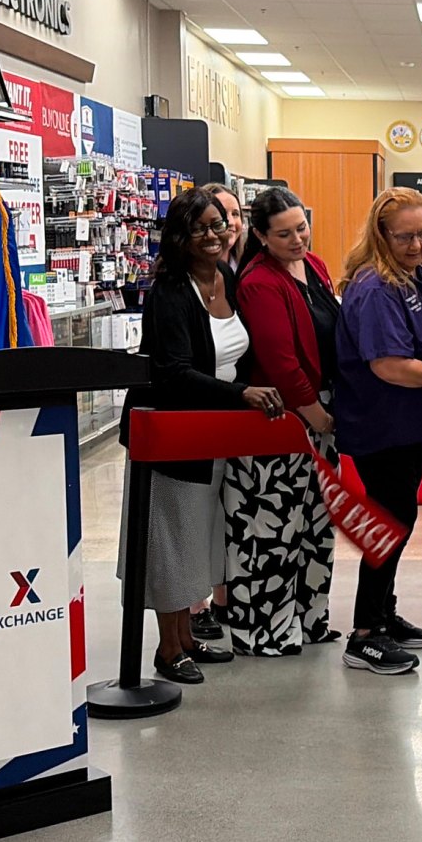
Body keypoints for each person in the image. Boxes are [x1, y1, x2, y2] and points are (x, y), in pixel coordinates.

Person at [117, 188, 284, 685]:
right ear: (179, 236)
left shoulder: (226, 276)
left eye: (219, 224)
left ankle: (188, 637)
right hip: (171, 434)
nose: (213, 235)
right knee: (170, 540)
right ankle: (168, 650)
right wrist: (242, 395)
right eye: (200, 228)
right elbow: (172, 372)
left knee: (199, 539)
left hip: (211, 431)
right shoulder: (171, 290)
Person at [334, 188, 422, 675]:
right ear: (380, 235)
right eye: (405, 237)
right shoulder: (373, 287)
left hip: (412, 422)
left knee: (400, 517)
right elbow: (390, 364)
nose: (416, 245)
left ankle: (383, 613)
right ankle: (365, 634)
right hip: (382, 422)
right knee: (388, 521)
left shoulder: (418, 274)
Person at [227, 188, 342, 656]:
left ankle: (311, 619)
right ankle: (268, 630)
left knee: (317, 524)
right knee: (275, 530)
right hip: (282, 421)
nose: (297, 239)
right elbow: (280, 361)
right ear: (260, 236)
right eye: (284, 233)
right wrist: (316, 416)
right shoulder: (258, 282)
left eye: (301, 227)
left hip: (320, 414)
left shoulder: (313, 266)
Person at [187, 181, 248, 641]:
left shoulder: (231, 277)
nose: (223, 229)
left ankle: (222, 597)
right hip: (194, 419)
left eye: (230, 218)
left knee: (224, 513)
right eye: (210, 221)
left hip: (230, 419)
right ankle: (193, 606)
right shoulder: (180, 284)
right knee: (194, 515)